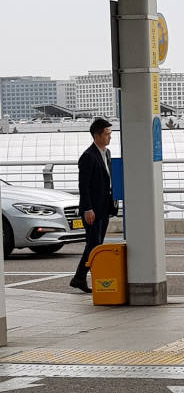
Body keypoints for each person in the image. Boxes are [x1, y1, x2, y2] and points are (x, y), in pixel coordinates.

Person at [70, 118, 118, 293]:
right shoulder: (88, 157)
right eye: (106, 134)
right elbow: (84, 186)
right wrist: (88, 209)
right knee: (94, 245)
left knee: (95, 244)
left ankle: (79, 278)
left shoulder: (107, 153)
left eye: (110, 134)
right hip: (92, 209)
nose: (109, 137)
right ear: (96, 135)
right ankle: (80, 278)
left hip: (104, 207)